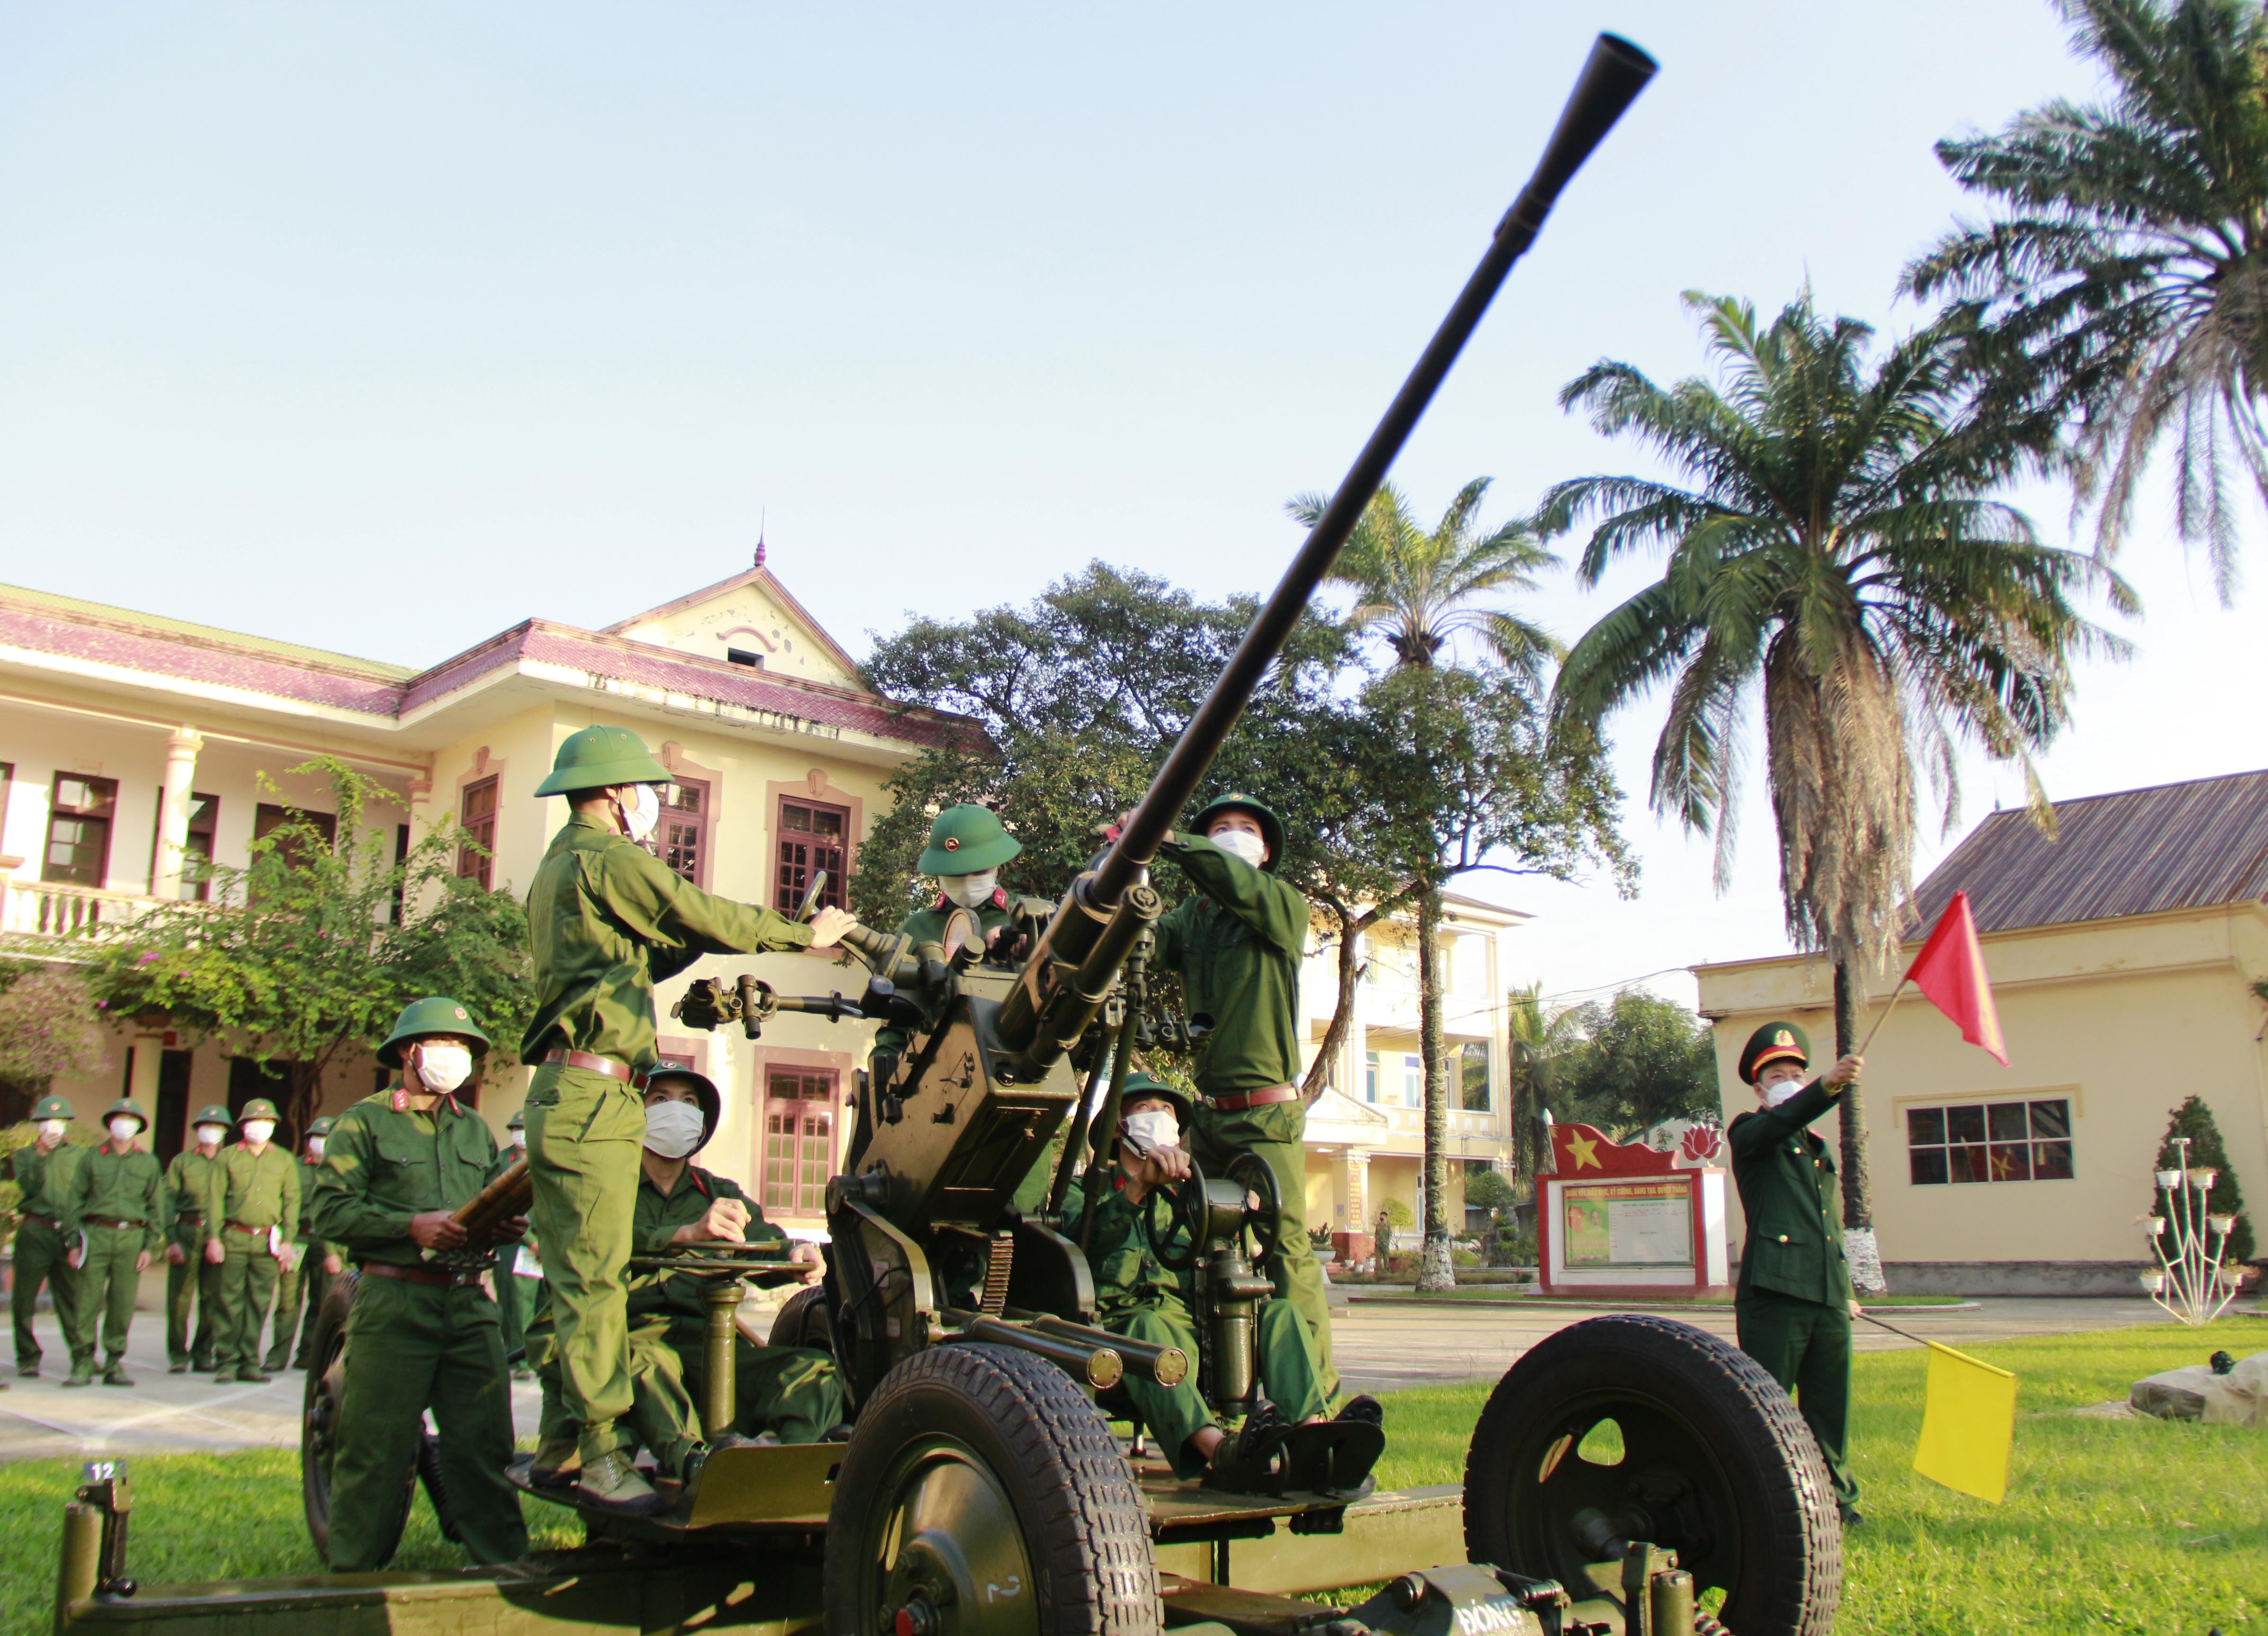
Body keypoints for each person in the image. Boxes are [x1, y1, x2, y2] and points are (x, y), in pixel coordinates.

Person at [522, 724, 856, 1515]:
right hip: (591, 1093)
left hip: (578, 1091)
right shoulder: (606, 857)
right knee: (595, 1286)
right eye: (646, 791)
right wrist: (802, 935)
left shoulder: (563, 868)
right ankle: (602, 1453)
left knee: (583, 1278)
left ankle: (561, 1444)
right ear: (612, 793)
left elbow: (646, 951)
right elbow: (694, 909)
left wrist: (703, 947)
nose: (652, 806)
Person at [528, 1067, 843, 1506]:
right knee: (649, 1364)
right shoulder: (603, 1190)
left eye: (689, 1103)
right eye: (660, 1100)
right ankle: (701, 1469)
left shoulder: (715, 1192)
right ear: (635, 1114)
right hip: (623, 1342)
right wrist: (684, 1236)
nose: (676, 1111)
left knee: (815, 1370)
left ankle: (774, 1465)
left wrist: (796, 1254)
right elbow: (582, 1241)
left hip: (702, 1347)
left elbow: (764, 1242)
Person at [1067, 1073, 1377, 1490]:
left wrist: (1239, 1216)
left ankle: (1315, 1436)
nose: (1158, 1119)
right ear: (1118, 1129)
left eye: (1166, 1112)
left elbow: (1233, 1257)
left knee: (1279, 1314)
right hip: (1121, 1329)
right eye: (1144, 1111)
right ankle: (1222, 1453)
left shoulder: (1195, 1199)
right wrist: (1139, 1189)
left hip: (1192, 1329)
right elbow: (1081, 1246)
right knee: (1148, 1329)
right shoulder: (1085, 1194)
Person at [306, 996, 528, 1570]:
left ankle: (501, 1570)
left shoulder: (475, 1131)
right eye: (446, 1045)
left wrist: (498, 1226)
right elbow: (329, 1214)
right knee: (373, 1446)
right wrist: (409, 1226)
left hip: (468, 1302)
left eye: (465, 1048)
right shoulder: (365, 1122)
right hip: (393, 1302)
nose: (457, 1057)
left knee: (485, 1445)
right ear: (410, 1052)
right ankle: (354, 1571)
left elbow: (476, 1214)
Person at [1132, 791, 1337, 1403]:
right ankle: (1201, 1395)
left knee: (1285, 1254)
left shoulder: (1280, 906)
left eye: (1243, 829)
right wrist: (1122, 875)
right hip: (1211, 1118)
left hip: (1266, 1118)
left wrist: (1169, 837)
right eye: (1219, 827)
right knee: (1180, 1240)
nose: (1230, 836)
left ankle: (1317, 1408)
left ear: (1266, 849)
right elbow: (1145, 939)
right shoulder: (1195, 918)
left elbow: (1233, 882)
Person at [874, 804, 1056, 1209]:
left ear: (996, 867)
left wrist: (1026, 949)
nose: (966, 882)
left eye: (975, 871)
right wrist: (885, 1084)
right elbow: (896, 1023)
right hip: (935, 1087)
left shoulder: (1030, 918)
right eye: (955, 874)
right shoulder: (917, 928)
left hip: (1015, 1083)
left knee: (1018, 1217)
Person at [1728, 1020, 1866, 1527]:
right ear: (1758, 1086)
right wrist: (1826, 1089)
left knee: (1830, 1408)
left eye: (1795, 1072)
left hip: (1826, 1293)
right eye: (1777, 1073)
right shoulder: (1750, 1131)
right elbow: (1776, 1124)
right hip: (1776, 1288)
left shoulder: (1817, 1150)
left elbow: (1828, 1227)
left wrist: (1845, 1291)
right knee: (1766, 1408)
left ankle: (1837, 1503)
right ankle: (1757, 1501)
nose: (1787, 1078)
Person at [63, 1098, 165, 1387]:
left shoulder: (148, 1162)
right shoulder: (92, 1158)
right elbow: (75, 1200)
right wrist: (73, 1242)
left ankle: (113, 1362)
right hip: (95, 1234)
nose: (125, 1124)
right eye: (120, 1118)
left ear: (139, 1126)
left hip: (131, 1238)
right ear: (110, 1123)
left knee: (122, 1302)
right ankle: (83, 1362)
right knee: (87, 1300)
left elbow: (157, 1206)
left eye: (131, 1119)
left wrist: (149, 1246)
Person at [202, 1095, 299, 1385]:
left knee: (259, 1302)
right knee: (228, 1301)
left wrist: (288, 1241)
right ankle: (227, 1361)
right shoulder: (227, 1157)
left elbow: (292, 1201)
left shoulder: (284, 1160)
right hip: (233, 1236)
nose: (260, 1126)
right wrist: (214, 1239)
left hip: (267, 1240)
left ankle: (249, 1361)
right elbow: (215, 1200)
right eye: (254, 1121)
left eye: (266, 1121)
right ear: (243, 1126)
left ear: (273, 1125)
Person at [12, 1095, 87, 1382]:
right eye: (47, 1122)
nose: (53, 1128)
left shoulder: (79, 1156)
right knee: (24, 1299)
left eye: (59, 1123)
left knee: (72, 1299)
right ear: (39, 1126)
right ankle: (28, 1357)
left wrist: (78, 1238)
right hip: (36, 1231)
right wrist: (41, 1155)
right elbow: (29, 1188)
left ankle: (82, 1356)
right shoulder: (25, 1155)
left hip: (67, 1233)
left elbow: (84, 1196)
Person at [163, 1105, 232, 1374]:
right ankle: (178, 1354)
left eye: (217, 1126)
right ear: (197, 1130)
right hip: (188, 1230)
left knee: (214, 1296)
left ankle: (204, 1352)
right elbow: (167, 1200)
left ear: (225, 1132)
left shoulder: (230, 1161)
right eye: (206, 1125)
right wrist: (170, 1238)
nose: (211, 1131)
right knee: (180, 1298)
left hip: (220, 1233)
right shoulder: (182, 1162)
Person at [276, 1118, 344, 1371]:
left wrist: (333, 1252)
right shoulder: (293, 1167)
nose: (321, 1142)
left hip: (325, 1240)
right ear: (308, 1141)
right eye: (317, 1136)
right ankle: (278, 1356)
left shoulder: (338, 1171)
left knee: (322, 1299)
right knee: (288, 1300)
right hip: (298, 1238)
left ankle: (309, 1354)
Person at [494, 1108, 540, 1382]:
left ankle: (528, 1358)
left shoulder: (543, 1158)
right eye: (515, 1130)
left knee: (532, 1303)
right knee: (510, 1301)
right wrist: (532, 1242)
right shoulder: (502, 1160)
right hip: (512, 1242)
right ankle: (513, 1357)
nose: (520, 1135)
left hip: (540, 1243)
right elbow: (499, 1202)